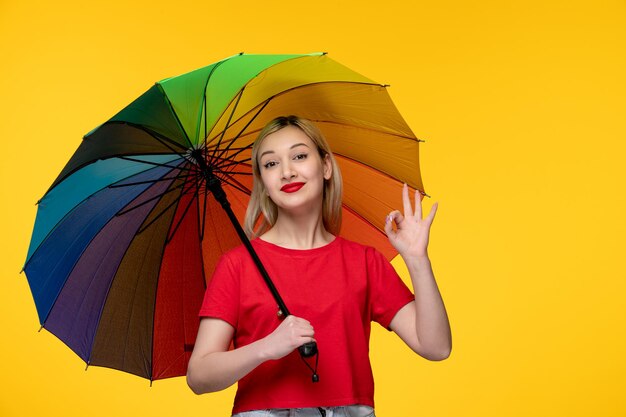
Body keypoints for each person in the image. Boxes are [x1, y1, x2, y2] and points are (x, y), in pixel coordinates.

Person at [187, 115, 451, 417]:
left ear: (325, 166)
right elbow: (199, 375)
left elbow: (436, 347)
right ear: (263, 183)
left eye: (299, 156)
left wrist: (417, 260)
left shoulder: (363, 261)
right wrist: (266, 347)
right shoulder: (237, 265)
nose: (287, 172)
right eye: (271, 164)